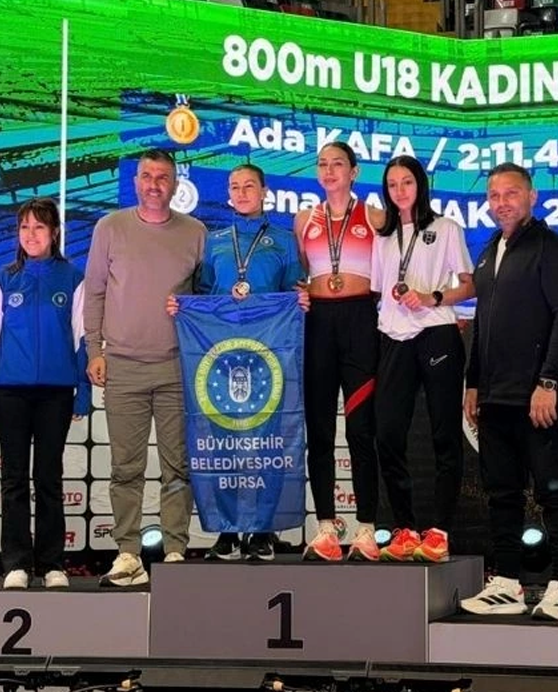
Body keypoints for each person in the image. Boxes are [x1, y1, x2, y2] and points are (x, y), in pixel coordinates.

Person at [166, 164, 310, 561]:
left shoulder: (284, 240)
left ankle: (263, 530)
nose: (242, 192)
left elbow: (293, 294)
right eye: (235, 187)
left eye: (249, 186)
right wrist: (182, 307)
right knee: (221, 443)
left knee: (267, 443)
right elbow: (203, 296)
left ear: (264, 192)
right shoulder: (213, 241)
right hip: (221, 358)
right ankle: (228, 531)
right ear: (228, 194)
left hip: (269, 356)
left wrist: (301, 300)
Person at [460, 163, 558, 620]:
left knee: (555, 489)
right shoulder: (488, 252)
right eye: (494, 195)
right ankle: (507, 584)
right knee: (502, 492)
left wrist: (547, 382)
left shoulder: (556, 249)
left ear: (532, 197)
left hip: (538, 396)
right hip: (495, 398)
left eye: (511, 193)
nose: (502, 203)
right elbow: (482, 321)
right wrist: (474, 382)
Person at [85, 149, 207, 586]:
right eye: (147, 176)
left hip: (176, 367)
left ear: (175, 184)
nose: (154, 184)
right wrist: (94, 350)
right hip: (122, 365)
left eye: (162, 177)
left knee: (178, 467)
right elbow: (94, 292)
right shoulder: (109, 227)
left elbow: (206, 299)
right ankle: (127, 554)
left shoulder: (196, 233)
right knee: (125, 468)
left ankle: (175, 550)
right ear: (135, 181)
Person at [0, 197, 91, 590]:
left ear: (54, 232)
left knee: (48, 479)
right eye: (24, 227)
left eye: (39, 227)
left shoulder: (73, 279)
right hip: (10, 393)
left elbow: (82, 340)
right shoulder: (2, 280)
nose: (31, 234)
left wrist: (83, 391)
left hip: (56, 394)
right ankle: (17, 565)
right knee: (13, 480)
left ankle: (53, 564)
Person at [371, 156, 475, 563]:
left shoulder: (445, 228)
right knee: (387, 434)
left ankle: (439, 531)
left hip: (436, 333)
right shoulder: (383, 237)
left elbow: (468, 286)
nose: (400, 191)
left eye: (407, 182)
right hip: (393, 336)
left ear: (421, 185)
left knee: (444, 435)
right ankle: (405, 528)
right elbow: (380, 289)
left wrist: (433, 297)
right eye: (392, 184)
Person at [294, 141, 384, 562]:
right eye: (322, 164)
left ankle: (366, 528)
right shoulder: (303, 220)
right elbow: (302, 273)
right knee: (319, 431)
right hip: (319, 324)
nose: (329, 171)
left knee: (361, 429)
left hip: (360, 320)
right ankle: (326, 528)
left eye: (338, 164)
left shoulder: (375, 216)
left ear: (354, 171)